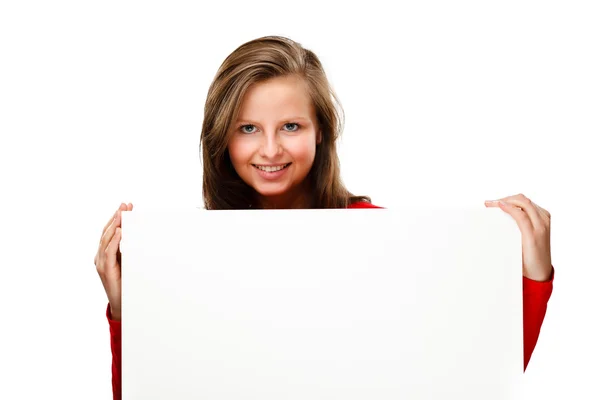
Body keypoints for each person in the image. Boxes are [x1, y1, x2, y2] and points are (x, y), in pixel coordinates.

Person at [94, 36, 554, 400]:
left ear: (321, 134)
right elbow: (152, 391)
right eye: (248, 128)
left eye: (291, 126)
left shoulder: (383, 234)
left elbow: (476, 375)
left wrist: (534, 276)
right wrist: (124, 308)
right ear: (222, 139)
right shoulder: (190, 255)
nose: (270, 149)